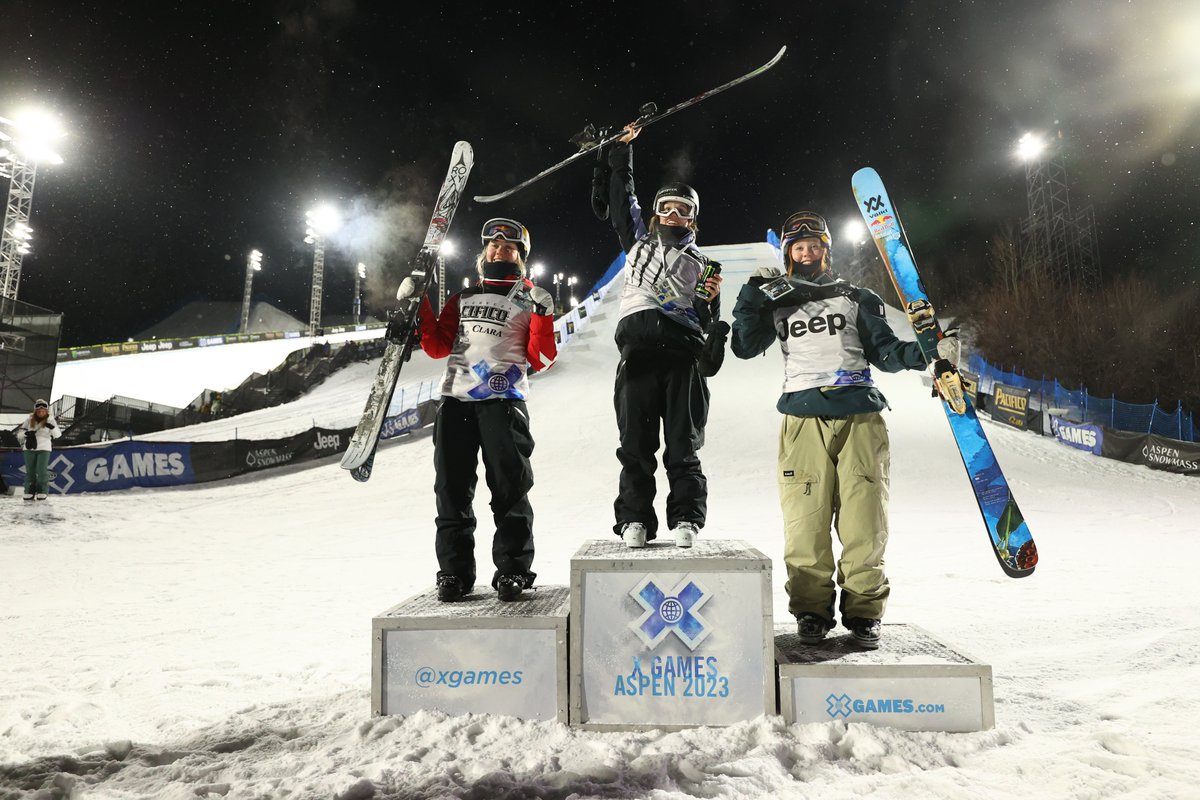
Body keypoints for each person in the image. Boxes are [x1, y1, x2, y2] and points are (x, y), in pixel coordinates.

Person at [730, 211, 957, 649]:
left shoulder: (857, 296)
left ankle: (864, 611)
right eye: (799, 247)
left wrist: (928, 351)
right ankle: (812, 612)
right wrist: (751, 294)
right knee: (805, 524)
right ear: (788, 254)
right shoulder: (776, 298)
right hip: (802, 420)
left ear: (826, 250)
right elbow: (744, 346)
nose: (808, 252)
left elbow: (886, 352)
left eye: (815, 245)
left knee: (864, 522)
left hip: (860, 418)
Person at [398, 218, 557, 602]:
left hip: (504, 403)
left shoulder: (529, 296)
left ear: (521, 256)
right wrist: (418, 301)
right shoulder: (464, 297)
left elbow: (543, 358)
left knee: (510, 490)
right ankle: (454, 573)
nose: (499, 251)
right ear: (483, 252)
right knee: (451, 490)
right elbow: (436, 346)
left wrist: (543, 316)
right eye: (493, 245)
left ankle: (514, 570)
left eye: (508, 247)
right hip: (456, 400)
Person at [602, 123, 727, 550]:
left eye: (683, 211)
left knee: (682, 446)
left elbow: (708, 321)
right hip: (637, 352)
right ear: (657, 214)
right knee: (634, 444)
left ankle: (686, 518)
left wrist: (711, 306)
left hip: (682, 356)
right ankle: (635, 518)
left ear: (694, 219)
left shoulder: (705, 264)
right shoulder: (638, 241)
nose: (674, 216)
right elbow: (623, 201)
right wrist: (621, 155)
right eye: (667, 209)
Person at [17, 399, 61, 501]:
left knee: (41, 471)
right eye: (39, 410)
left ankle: (42, 491)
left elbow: (58, 435)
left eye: (43, 410)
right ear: (35, 411)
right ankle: (29, 491)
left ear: (46, 411)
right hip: (30, 448)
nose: (41, 412)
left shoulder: (50, 420)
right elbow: (19, 434)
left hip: (44, 448)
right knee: (30, 471)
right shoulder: (29, 420)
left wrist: (52, 427)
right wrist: (26, 433)